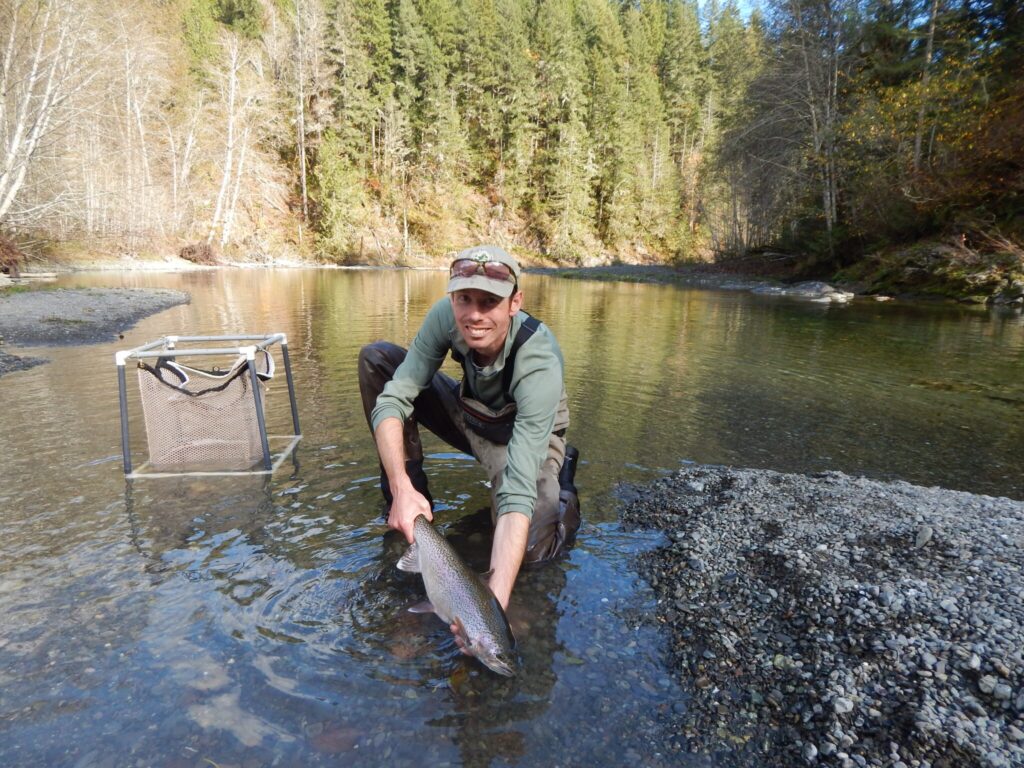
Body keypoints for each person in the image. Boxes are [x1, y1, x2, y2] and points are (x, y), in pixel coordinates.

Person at [358, 244, 580, 613]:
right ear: (452, 298)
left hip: (523, 442)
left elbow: (518, 488)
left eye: (489, 302)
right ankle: (411, 510)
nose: (474, 315)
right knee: (377, 359)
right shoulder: (445, 316)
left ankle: (564, 494)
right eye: (465, 299)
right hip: (472, 416)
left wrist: (491, 610)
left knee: (532, 553)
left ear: (514, 302)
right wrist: (401, 488)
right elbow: (393, 400)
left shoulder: (538, 358)